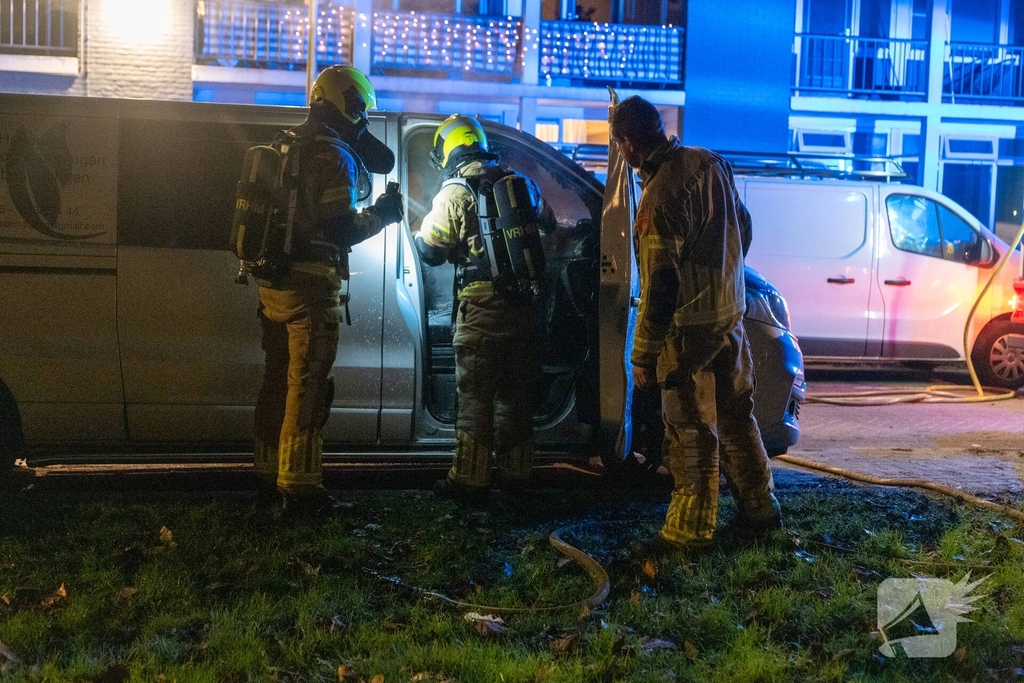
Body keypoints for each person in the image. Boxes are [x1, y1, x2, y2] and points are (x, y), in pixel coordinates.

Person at [609, 96, 783, 551]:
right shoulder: (710, 163)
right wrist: (722, 279)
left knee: (691, 431)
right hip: (731, 321)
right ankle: (761, 510)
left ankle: (689, 532)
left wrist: (643, 354)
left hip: (688, 334)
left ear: (629, 144)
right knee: (737, 419)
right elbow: (743, 228)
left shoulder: (658, 196)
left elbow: (660, 285)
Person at [252, 65, 404, 510]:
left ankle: (267, 474)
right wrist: (383, 214)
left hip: (273, 285)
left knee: (276, 381)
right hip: (311, 289)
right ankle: (300, 489)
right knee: (308, 385)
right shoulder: (334, 155)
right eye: (361, 109)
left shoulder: (287, 144)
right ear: (348, 104)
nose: (363, 118)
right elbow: (340, 228)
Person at [412, 114, 549, 503]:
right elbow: (549, 225)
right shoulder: (521, 183)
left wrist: (425, 234)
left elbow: (430, 251)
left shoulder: (454, 193)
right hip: (523, 305)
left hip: (481, 308)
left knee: (476, 395)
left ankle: (469, 481)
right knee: (515, 397)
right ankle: (516, 476)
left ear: (448, 150)